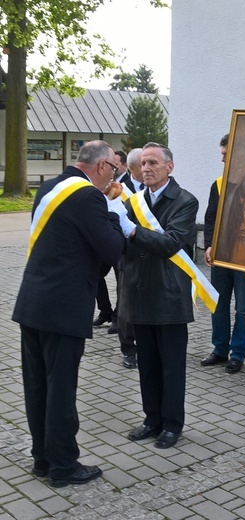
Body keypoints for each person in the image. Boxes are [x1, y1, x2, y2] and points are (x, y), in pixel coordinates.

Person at [12, 140, 126, 487]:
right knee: (60, 388)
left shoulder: (49, 187)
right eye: (114, 170)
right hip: (64, 308)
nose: (113, 177)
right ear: (102, 167)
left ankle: (42, 459)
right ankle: (64, 466)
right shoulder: (89, 196)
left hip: (33, 303)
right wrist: (113, 208)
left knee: (37, 387)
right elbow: (113, 247)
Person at [118, 142, 199, 449]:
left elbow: (171, 243)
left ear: (169, 167)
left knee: (171, 365)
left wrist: (133, 231)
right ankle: (151, 419)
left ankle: (172, 424)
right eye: (143, 163)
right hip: (139, 291)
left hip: (168, 297)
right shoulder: (134, 201)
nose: (146, 168)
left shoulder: (185, 201)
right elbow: (120, 238)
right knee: (147, 363)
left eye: (153, 162)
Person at [201, 134, 245, 374]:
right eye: (222, 154)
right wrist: (209, 245)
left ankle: (238, 353)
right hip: (222, 255)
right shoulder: (219, 183)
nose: (222, 159)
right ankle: (220, 349)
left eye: (225, 154)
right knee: (219, 303)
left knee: (243, 308)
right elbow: (211, 217)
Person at [92, 150, 127, 331]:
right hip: (106, 236)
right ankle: (104, 310)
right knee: (97, 275)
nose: (114, 168)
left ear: (124, 165)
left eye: (117, 164)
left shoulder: (129, 184)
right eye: (112, 164)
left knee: (121, 281)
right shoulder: (101, 183)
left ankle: (117, 316)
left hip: (123, 240)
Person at [116, 148, 144, 369]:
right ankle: (129, 348)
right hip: (127, 254)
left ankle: (145, 345)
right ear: (133, 168)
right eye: (144, 165)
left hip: (151, 256)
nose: (148, 169)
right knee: (126, 302)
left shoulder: (155, 188)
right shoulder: (119, 189)